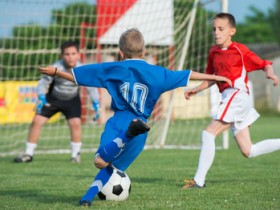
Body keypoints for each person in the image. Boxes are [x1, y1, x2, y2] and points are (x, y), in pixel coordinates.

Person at [39, 28, 231, 206]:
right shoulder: (158, 73)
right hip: (142, 128)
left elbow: (79, 77)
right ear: (144, 51)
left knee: (100, 161)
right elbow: (187, 75)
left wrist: (56, 72)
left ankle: (126, 136)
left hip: (120, 122)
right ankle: (87, 198)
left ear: (121, 52)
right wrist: (215, 77)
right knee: (110, 167)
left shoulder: (114, 68)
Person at [183, 13, 280, 189]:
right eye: (214, 29)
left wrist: (270, 73)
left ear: (232, 31)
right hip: (231, 97)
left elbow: (265, 63)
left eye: (221, 29)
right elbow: (212, 77)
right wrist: (195, 89)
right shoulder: (213, 52)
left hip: (237, 95)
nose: (216, 33)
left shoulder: (240, 50)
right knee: (248, 151)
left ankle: (198, 181)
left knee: (208, 133)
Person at [14, 41, 100, 163]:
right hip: (53, 98)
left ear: (78, 55)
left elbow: (91, 87)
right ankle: (28, 154)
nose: (70, 57)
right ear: (62, 56)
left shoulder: (82, 69)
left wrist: (96, 103)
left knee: (75, 123)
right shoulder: (55, 67)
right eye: (67, 54)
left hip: (72, 99)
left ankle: (75, 155)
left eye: (73, 53)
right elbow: (43, 83)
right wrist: (41, 97)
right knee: (37, 120)